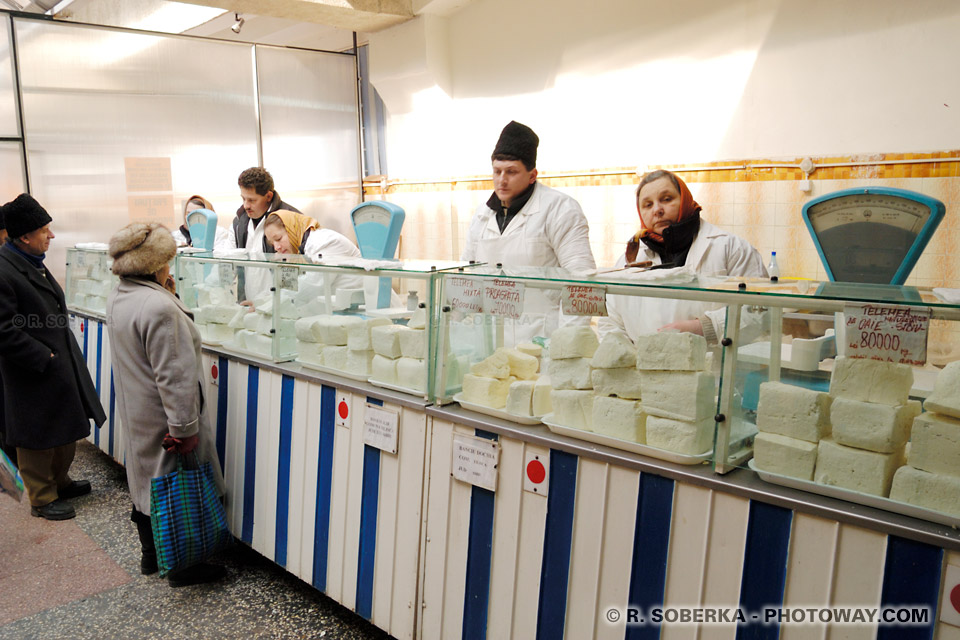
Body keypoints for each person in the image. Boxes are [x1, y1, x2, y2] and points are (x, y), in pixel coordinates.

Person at [106, 222, 226, 586]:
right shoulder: (159, 307)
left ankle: (150, 554)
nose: (170, 268)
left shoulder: (121, 294)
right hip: (164, 415)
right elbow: (174, 377)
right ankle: (184, 565)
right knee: (175, 483)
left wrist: (167, 293)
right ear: (155, 263)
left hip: (137, 408)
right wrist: (184, 430)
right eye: (167, 262)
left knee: (147, 481)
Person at [0, 194, 105, 520]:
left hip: (55, 362)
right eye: (45, 230)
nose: (52, 235)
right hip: (30, 371)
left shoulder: (30, 261)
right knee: (36, 437)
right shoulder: (4, 271)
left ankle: (60, 481)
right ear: (24, 236)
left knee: (63, 427)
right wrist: (43, 356)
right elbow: (3, 330)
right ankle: (42, 498)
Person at [461, 121, 597, 341]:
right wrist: (459, 329)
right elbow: (466, 275)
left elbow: (584, 282)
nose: (501, 180)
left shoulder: (560, 209)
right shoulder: (482, 215)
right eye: (497, 171)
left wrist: (567, 343)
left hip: (544, 337)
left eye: (511, 172)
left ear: (532, 175)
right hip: (489, 337)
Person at [599, 170, 768, 342]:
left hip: (712, 365)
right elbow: (610, 321)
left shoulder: (730, 248)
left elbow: (762, 311)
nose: (657, 210)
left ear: (685, 200)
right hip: (643, 365)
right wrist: (624, 356)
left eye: (666, 199)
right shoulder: (630, 261)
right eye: (648, 204)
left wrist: (706, 327)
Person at [229, 167, 302, 302]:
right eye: (243, 198)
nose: (246, 205)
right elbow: (229, 261)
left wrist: (279, 302)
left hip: (281, 304)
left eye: (252, 200)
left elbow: (299, 272)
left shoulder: (291, 219)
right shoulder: (239, 223)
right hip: (249, 304)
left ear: (268, 196)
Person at [262, 210, 365, 292]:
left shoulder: (323, 242)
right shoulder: (301, 251)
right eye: (272, 243)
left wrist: (269, 303)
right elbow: (289, 289)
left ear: (292, 229)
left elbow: (310, 287)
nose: (276, 247)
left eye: (279, 239)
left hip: (356, 308)